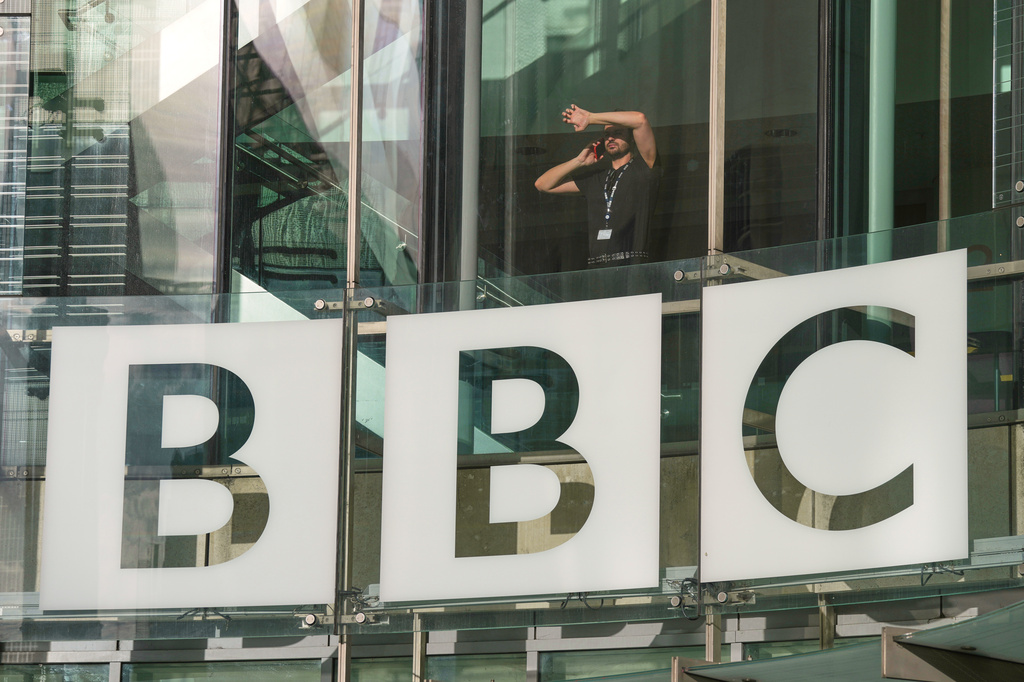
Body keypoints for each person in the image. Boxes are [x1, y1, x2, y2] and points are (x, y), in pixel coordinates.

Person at [535, 105, 659, 268]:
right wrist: (578, 161)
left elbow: (640, 120)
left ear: (631, 138)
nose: (611, 138)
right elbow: (543, 184)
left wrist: (590, 118)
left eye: (618, 133)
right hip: (598, 270)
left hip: (634, 265)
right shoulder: (596, 178)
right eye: (607, 135)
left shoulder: (643, 167)